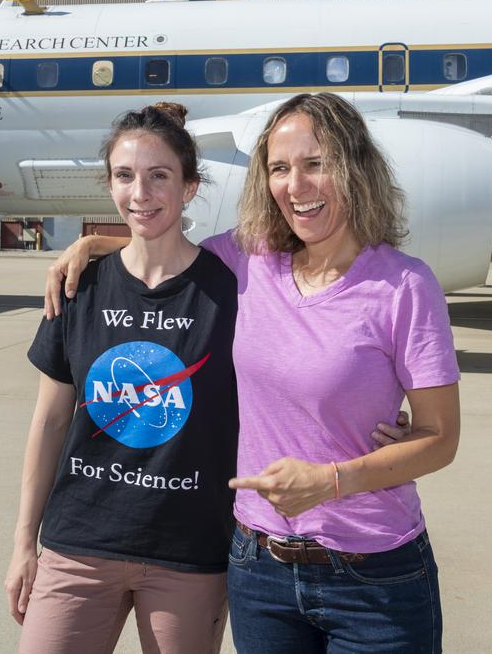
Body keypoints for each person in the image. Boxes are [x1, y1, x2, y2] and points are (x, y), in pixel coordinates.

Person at [46, 92, 459, 653]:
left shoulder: (405, 285)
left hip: (374, 574)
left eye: (316, 164)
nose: (296, 185)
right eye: (280, 169)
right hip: (259, 570)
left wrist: (332, 480)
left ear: (354, 167)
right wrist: (93, 244)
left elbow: (440, 440)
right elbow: (162, 242)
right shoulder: (249, 260)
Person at [6, 102, 239, 654]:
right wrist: (23, 543)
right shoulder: (77, 288)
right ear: (108, 184)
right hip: (79, 545)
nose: (141, 193)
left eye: (160, 176)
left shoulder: (232, 292)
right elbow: (50, 420)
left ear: (190, 187)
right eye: (125, 176)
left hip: (188, 554)